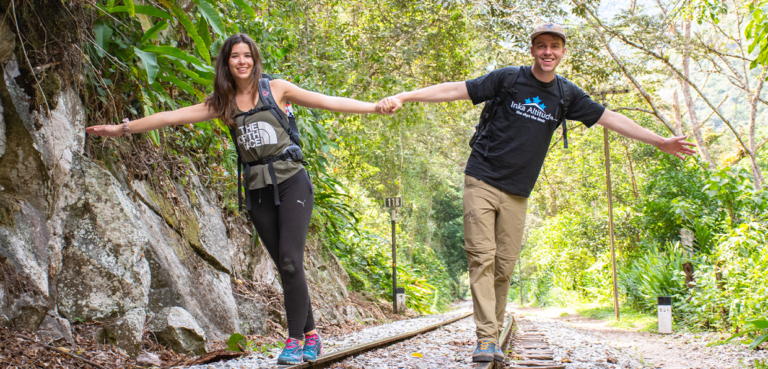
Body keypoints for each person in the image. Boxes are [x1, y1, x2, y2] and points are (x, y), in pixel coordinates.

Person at [376, 22, 696, 362]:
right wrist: (405, 96)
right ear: (532, 49)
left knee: (504, 268)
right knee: (481, 259)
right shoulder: (508, 80)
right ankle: (486, 339)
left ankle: (492, 334)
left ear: (562, 52)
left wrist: (660, 141)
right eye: (541, 45)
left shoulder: (567, 94)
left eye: (554, 46)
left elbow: (611, 118)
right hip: (481, 179)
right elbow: (456, 89)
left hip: (517, 193)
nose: (548, 52)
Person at [87, 33, 384, 365]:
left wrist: (374, 107)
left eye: (247, 56)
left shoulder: (277, 89)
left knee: (289, 260)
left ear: (255, 60)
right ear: (226, 62)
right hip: (257, 190)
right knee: (287, 267)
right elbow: (172, 116)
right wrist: (122, 129)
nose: (242, 61)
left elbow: (326, 100)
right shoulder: (222, 103)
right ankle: (312, 335)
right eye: (235, 57)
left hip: (291, 182)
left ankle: (295, 339)